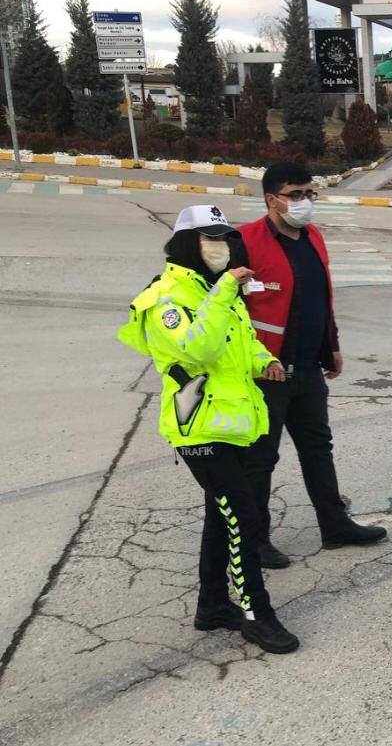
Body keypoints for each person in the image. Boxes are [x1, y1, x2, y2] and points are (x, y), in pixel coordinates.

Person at [117, 205, 299, 654]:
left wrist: (265, 361)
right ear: (185, 243)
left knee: (222, 514)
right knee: (244, 516)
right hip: (197, 426)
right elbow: (195, 353)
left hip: (231, 423)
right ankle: (258, 614)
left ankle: (213, 605)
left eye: (224, 237)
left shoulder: (212, 288)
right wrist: (222, 294)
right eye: (209, 238)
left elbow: (240, 342)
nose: (220, 246)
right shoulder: (165, 296)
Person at [239, 162, 387, 570]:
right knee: (260, 460)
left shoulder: (313, 237)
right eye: (296, 194)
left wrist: (332, 345)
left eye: (309, 194)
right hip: (264, 375)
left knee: (318, 450)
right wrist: (257, 358)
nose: (305, 202)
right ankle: (255, 540)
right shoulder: (245, 241)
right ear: (272, 200)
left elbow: (320, 297)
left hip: (307, 368)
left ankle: (334, 525)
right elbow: (228, 311)